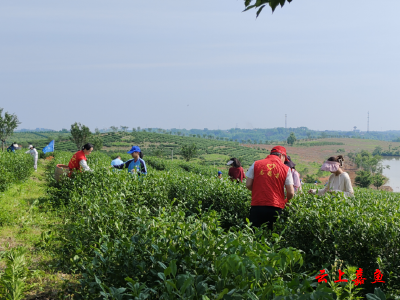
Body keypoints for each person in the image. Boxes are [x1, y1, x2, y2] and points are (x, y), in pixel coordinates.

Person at [245, 146, 294, 230]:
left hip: (257, 205)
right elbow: (291, 192)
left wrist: (259, 191)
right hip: (276, 206)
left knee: (254, 234)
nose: (284, 162)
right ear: (281, 156)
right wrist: (286, 201)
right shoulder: (286, 169)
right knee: (272, 235)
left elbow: (248, 184)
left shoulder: (256, 164)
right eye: (284, 159)